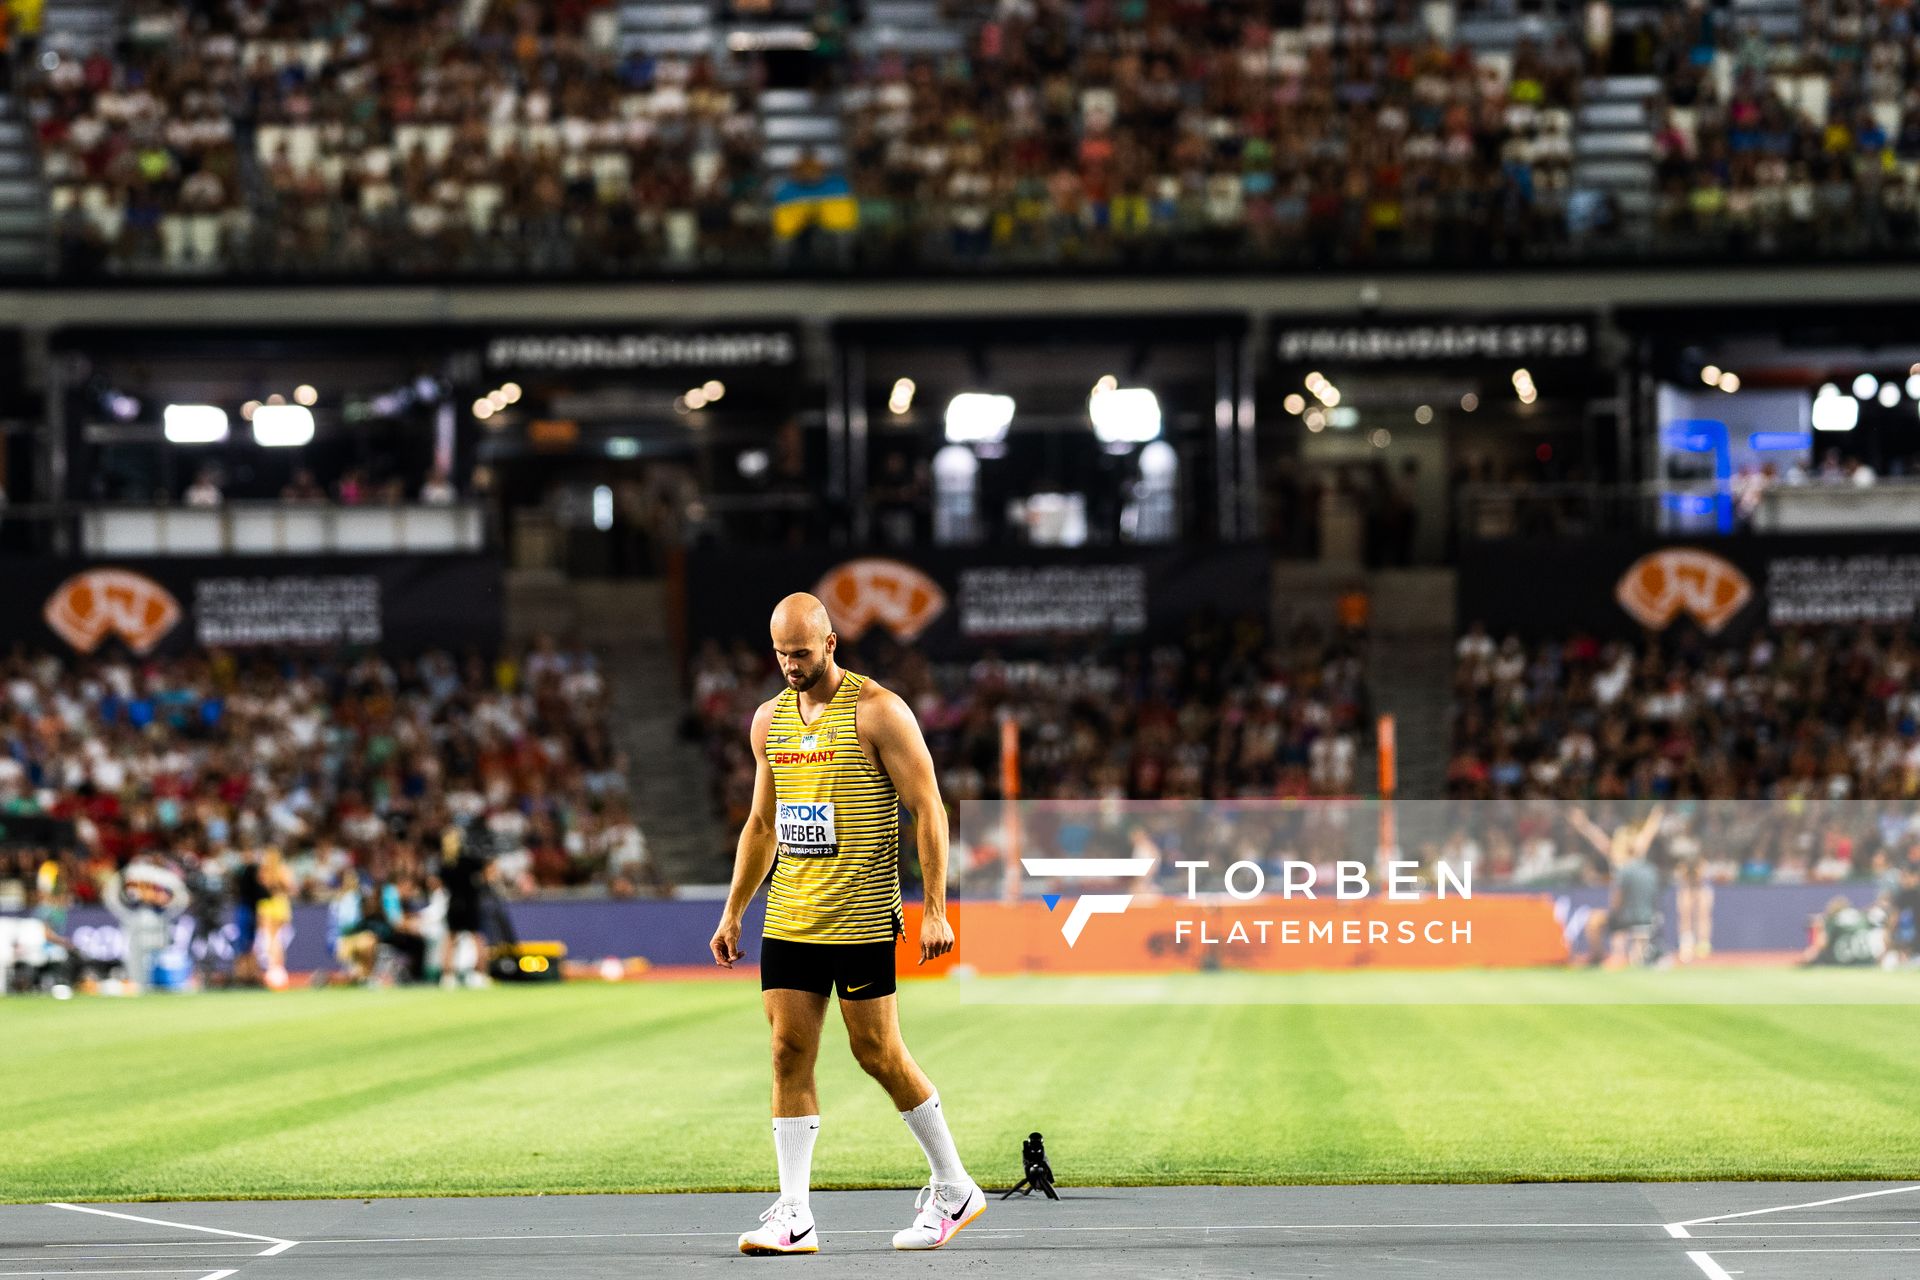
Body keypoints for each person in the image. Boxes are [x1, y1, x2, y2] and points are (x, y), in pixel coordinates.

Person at [710, 593, 984, 1256]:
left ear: (831, 644)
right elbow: (764, 825)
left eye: (801, 654)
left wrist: (937, 912)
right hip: (792, 917)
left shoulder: (878, 712)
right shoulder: (768, 722)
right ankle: (794, 1214)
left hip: (861, 918)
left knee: (877, 1054)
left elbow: (929, 811)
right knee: (786, 1052)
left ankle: (954, 1186)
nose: (790, 666)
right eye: (780, 655)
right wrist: (734, 908)